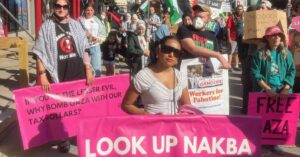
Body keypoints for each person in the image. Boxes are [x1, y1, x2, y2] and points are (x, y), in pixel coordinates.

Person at [32, 0, 93, 153]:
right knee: (62, 110)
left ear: (68, 8)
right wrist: (42, 75)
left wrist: (88, 68)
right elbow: (39, 53)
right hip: (58, 74)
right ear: (54, 7)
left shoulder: (75, 24)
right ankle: (64, 138)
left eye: (64, 6)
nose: (61, 9)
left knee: (79, 108)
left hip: (78, 72)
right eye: (58, 6)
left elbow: (85, 48)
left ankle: (81, 136)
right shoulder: (46, 27)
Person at [251, 25, 296, 155]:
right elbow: (255, 74)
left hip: (282, 90)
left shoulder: (286, 54)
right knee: (264, 119)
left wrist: (286, 88)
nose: (276, 37)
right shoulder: (259, 54)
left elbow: (291, 72)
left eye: (279, 35)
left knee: (278, 119)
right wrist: (268, 90)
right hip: (265, 90)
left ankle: (274, 142)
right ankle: (262, 142)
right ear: (267, 38)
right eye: (273, 35)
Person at [122, 36, 191, 115]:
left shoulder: (180, 76)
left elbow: (187, 106)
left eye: (176, 52)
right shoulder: (143, 76)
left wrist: (184, 114)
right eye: (167, 49)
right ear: (158, 51)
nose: (171, 55)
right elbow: (126, 105)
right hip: (153, 126)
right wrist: (151, 117)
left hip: (175, 126)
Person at [177, 4, 228, 75]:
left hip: (206, 73)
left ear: (208, 19)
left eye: (201, 17)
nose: (197, 19)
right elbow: (191, 48)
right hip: (188, 72)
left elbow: (214, 60)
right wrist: (218, 55)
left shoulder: (212, 37)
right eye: (195, 16)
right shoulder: (184, 29)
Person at [79, 3, 106, 77]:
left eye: (91, 10)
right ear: (84, 10)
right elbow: (76, 34)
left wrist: (98, 39)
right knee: (85, 71)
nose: (89, 12)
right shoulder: (79, 20)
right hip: (84, 48)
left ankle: (96, 87)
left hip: (95, 47)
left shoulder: (97, 20)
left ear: (94, 11)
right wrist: (85, 34)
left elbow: (103, 33)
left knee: (97, 70)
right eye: (87, 10)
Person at [227, 5, 244, 71]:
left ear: (243, 10)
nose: (239, 10)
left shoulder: (244, 17)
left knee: (237, 52)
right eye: (238, 9)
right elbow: (228, 28)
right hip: (232, 37)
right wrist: (229, 38)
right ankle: (229, 65)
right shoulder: (231, 17)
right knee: (231, 51)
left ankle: (236, 65)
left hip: (240, 38)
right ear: (236, 10)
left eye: (241, 9)